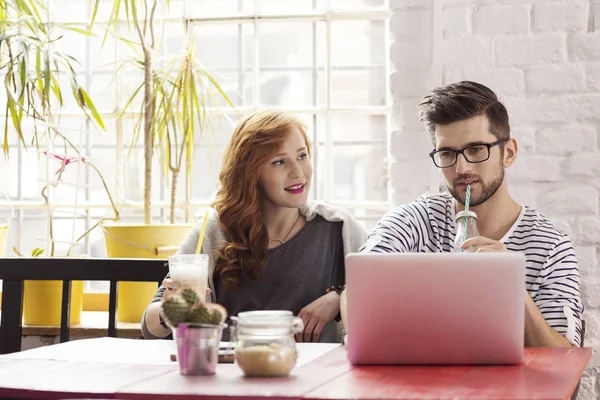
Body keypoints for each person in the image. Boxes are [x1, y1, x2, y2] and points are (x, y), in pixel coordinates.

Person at [341, 81, 582, 348]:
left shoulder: (550, 247)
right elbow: (358, 291)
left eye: (476, 149)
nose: (461, 167)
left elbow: (566, 359)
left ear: (509, 153)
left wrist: (511, 285)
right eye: (447, 153)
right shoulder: (413, 222)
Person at [142, 109, 368, 343]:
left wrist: (339, 296)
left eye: (302, 156)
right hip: (232, 372)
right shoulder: (214, 230)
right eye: (279, 162)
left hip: (317, 374)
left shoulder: (336, 228)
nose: (298, 172)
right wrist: (169, 311)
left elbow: (383, 290)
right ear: (250, 173)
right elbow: (150, 328)